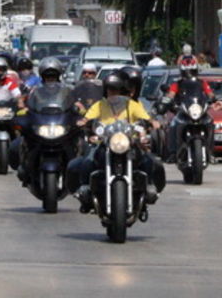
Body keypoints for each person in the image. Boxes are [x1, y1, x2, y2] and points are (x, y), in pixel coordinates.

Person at [68, 72, 164, 212]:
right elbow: (88, 117)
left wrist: (152, 122)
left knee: (147, 160)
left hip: (128, 142)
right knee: (88, 160)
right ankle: (85, 188)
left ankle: (149, 186)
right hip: (104, 142)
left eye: (116, 89)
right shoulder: (100, 104)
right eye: (110, 89)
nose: (112, 92)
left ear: (122, 90)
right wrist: (83, 122)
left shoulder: (132, 105)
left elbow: (145, 117)